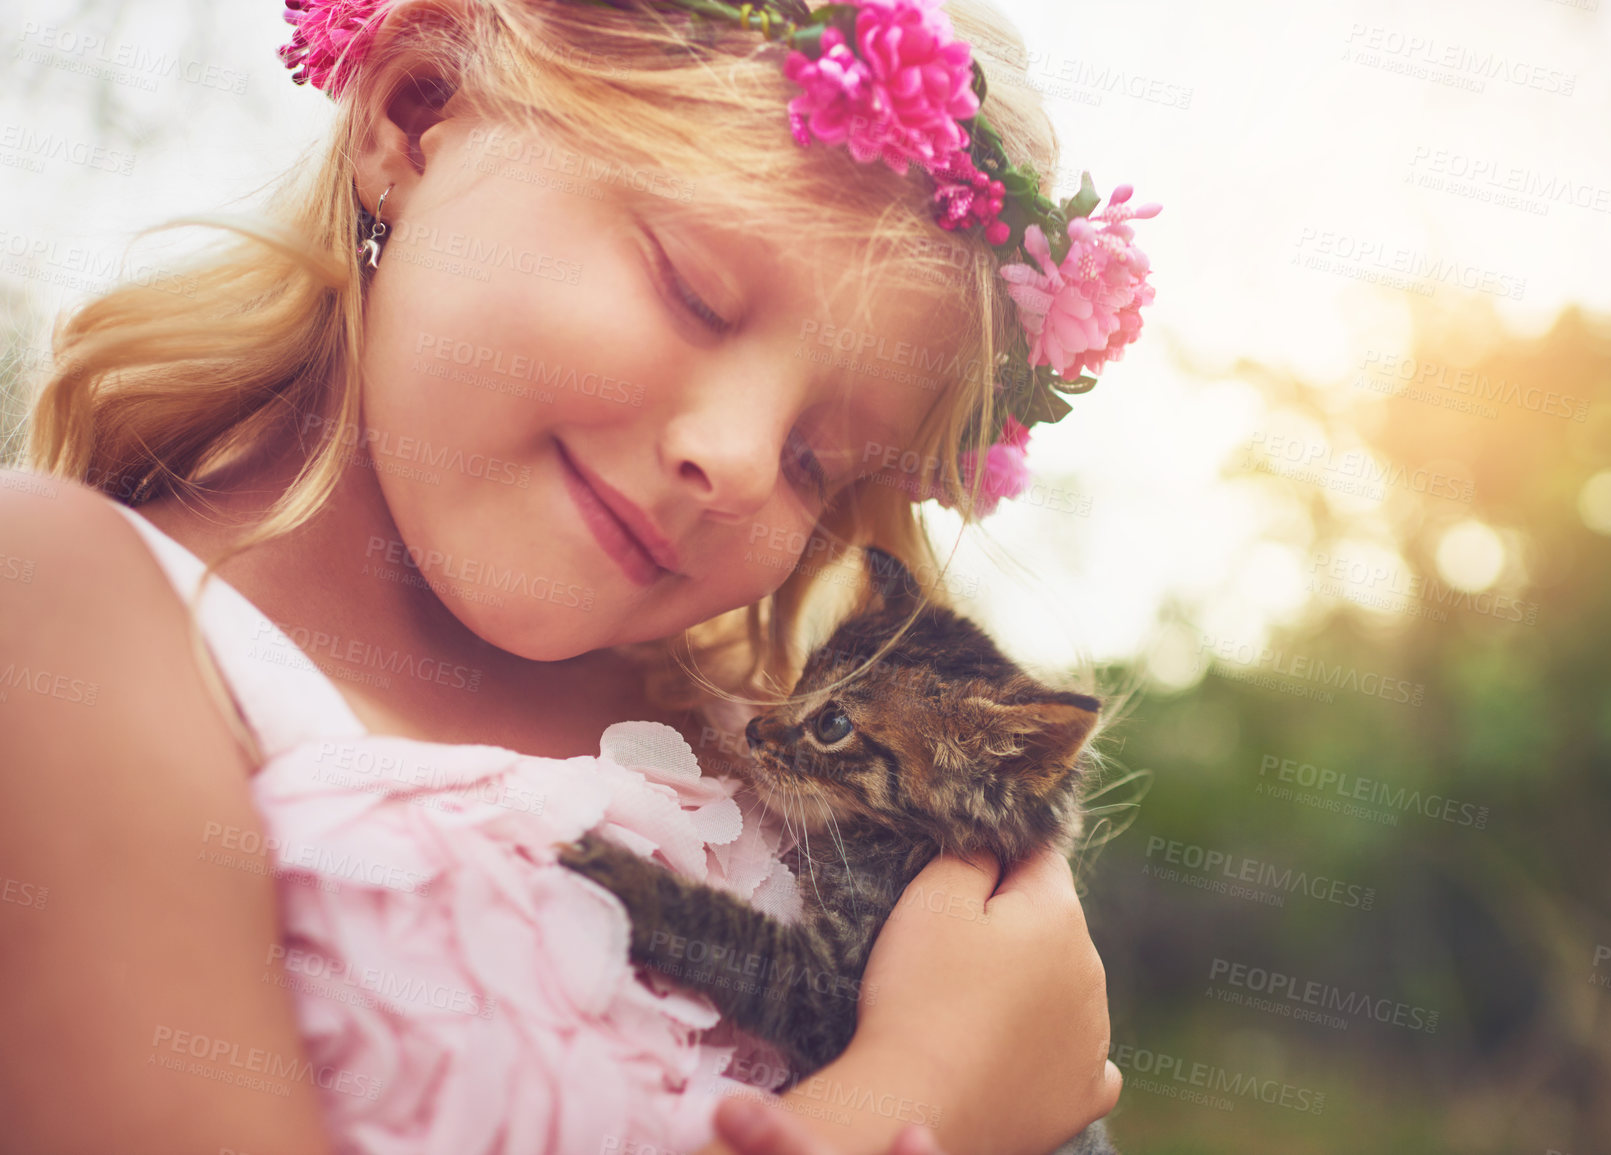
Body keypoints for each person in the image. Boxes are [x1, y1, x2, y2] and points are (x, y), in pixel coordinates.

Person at [0, 1, 1157, 1153]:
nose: (742, 464)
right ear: (419, 116)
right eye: (694, 293)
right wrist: (926, 1095)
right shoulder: (57, 616)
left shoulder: (796, 794)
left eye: (820, 463)